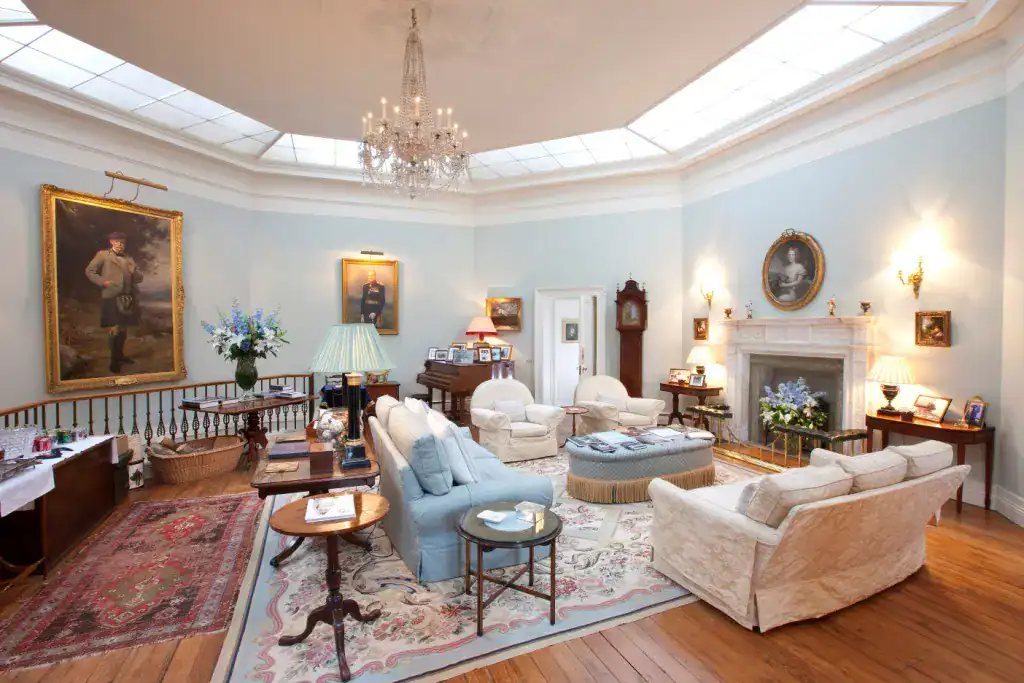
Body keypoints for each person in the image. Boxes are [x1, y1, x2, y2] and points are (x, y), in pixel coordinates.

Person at [85, 232, 143, 373]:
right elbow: (90, 271)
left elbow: (139, 278)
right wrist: (103, 282)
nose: (120, 244)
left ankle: (120, 355)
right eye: (117, 242)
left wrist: (133, 272)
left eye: (122, 242)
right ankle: (113, 361)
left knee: (123, 328)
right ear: (111, 242)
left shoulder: (129, 258)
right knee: (115, 328)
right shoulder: (103, 255)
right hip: (112, 295)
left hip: (128, 297)